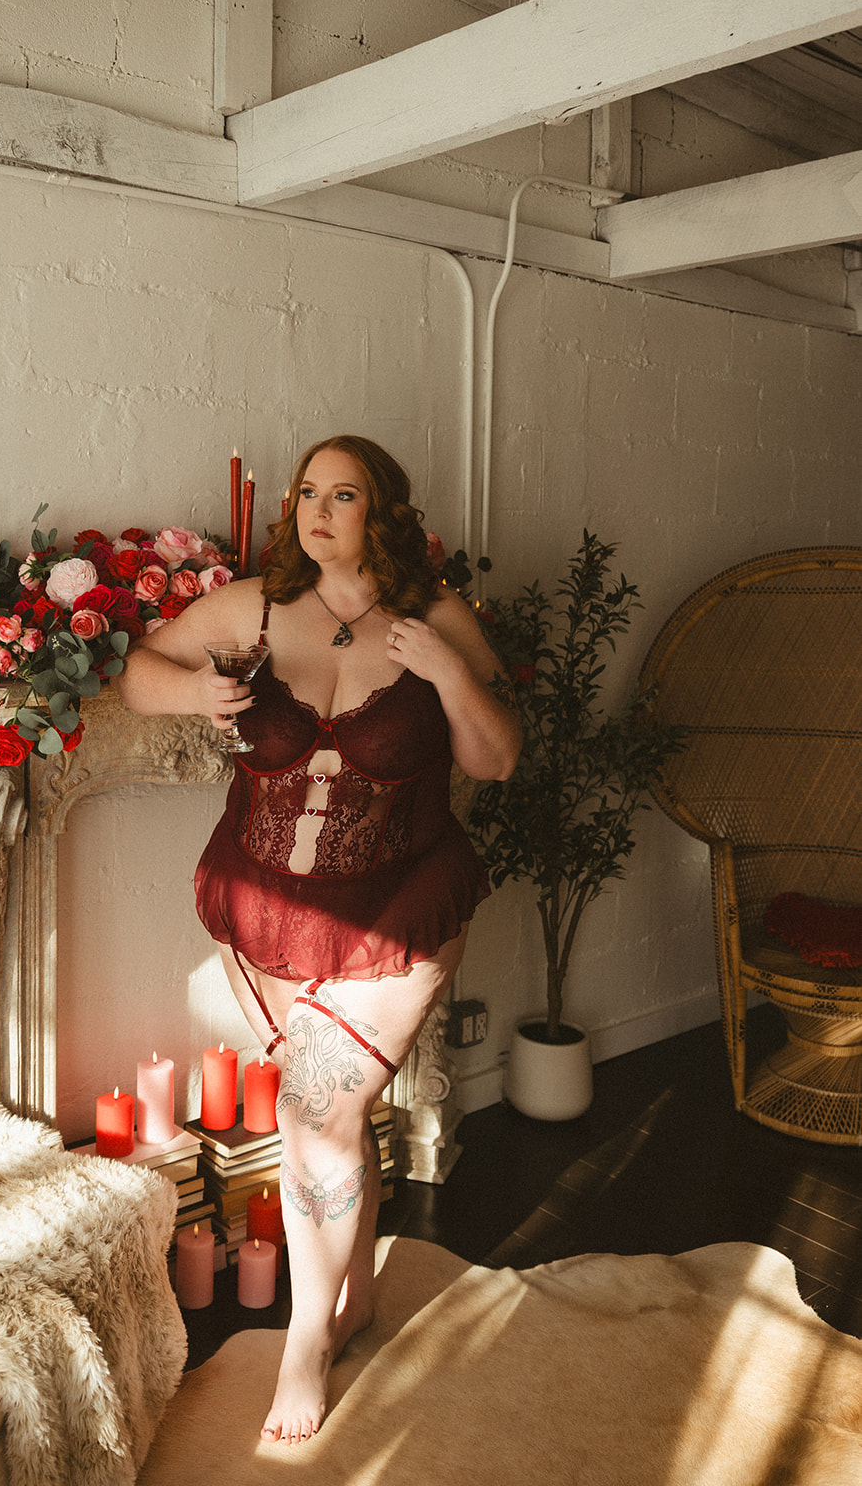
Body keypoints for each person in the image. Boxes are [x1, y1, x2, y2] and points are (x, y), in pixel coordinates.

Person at [119, 435, 521, 1446]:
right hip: (266, 909)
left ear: (381, 511)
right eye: (307, 492)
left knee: (314, 1113)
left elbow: (495, 759)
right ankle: (356, 1301)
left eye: (343, 494)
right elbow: (137, 672)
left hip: (397, 908)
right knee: (333, 1120)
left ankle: (304, 1339)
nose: (317, 509)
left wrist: (445, 671)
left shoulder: (433, 619)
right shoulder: (253, 608)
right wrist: (193, 693)